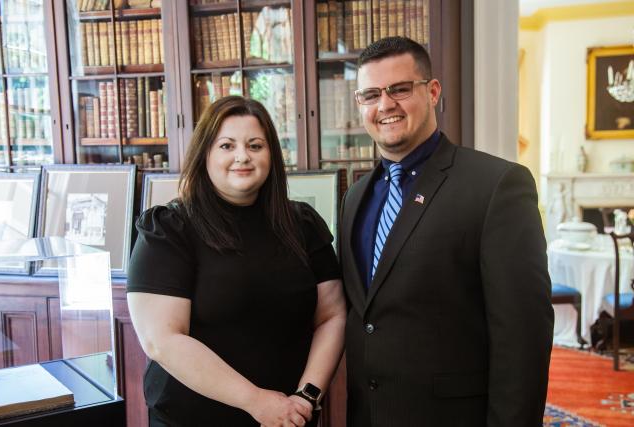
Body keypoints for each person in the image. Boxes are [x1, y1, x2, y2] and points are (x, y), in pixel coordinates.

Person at [339, 37, 554, 426]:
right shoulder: (355, 197)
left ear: (433, 91)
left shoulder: (497, 186)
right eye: (370, 94)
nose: (385, 105)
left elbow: (524, 336)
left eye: (400, 89)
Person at [127, 96, 346, 427]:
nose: (242, 156)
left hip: (289, 418)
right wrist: (256, 402)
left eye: (255, 145)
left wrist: (306, 396)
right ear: (205, 155)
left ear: (271, 154)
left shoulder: (302, 224)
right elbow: (162, 340)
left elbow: (332, 315)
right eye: (227, 146)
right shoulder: (169, 229)